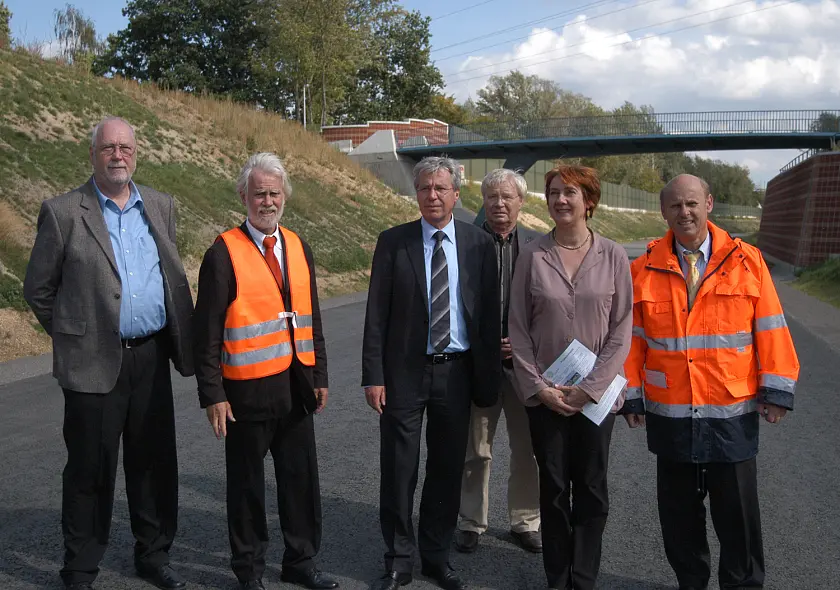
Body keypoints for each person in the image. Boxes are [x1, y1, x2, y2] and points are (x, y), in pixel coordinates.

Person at [23, 117, 194, 590]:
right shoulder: (62, 212)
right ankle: (80, 568)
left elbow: (169, 274)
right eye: (108, 148)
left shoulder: (160, 205)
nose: (118, 155)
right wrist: (76, 335)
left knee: (154, 464)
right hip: (93, 362)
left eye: (126, 148)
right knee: (90, 469)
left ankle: (153, 555)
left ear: (136, 153)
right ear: (93, 154)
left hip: (151, 356)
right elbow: (38, 289)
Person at [622, 173, 800, 590]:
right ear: (663, 211)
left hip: (730, 414)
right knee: (679, 519)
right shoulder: (642, 269)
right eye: (675, 205)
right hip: (672, 414)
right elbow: (632, 341)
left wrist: (777, 390)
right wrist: (631, 396)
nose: (684, 212)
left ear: (709, 204)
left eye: (691, 203)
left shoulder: (747, 261)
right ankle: (691, 583)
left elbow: (771, 328)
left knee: (738, 517)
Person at [192, 153, 337, 590]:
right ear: (243, 196)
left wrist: (320, 375)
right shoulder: (223, 253)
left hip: (297, 387)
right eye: (259, 194)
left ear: (285, 196)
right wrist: (213, 394)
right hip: (246, 395)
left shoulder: (298, 246)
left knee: (300, 482)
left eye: (274, 193)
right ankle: (249, 570)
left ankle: (301, 562)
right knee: (247, 488)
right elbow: (206, 332)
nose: (268, 201)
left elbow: (312, 316)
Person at [362, 157, 501, 590]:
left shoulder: (479, 244)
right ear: (416, 194)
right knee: (399, 469)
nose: (432, 195)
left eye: (441, 188)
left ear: (456, 194)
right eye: (424, 188)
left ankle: (436, 557)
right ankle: (398, 559)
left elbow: (487, 317)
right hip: (404, 374)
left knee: (446, 470)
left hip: (456, 373)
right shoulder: (393, 242)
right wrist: (373, 375)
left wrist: (488, 379)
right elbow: (376, 315)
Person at [508, 164, 633, 590]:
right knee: (555, 487)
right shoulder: (532, 255)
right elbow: (518, 327)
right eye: (554, 193)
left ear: (589, 201)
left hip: (596, 399)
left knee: (592, 488)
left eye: (570, 193)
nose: (560, 200)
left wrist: (590, 388)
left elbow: (621, 329)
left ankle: (584, 577)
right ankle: (558, 578)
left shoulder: (614, 255)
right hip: (548, 396)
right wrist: (538, 387)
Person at [454, 169, 542, 555]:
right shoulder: (466, 243)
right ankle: (471, 521)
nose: (499, 204)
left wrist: (523, 343)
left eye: (507, 197)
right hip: (479, 365)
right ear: (483, 201)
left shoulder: (539, 246)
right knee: (476, 450)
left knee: (528, 450)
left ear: (521, 202)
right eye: (492, 196)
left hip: (526, 367)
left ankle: (526, 521)